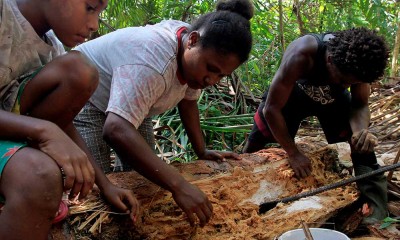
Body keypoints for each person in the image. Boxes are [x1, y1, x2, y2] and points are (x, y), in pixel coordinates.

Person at [73, 0, 253, 227]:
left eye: (221, 76)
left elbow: (188, 102)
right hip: (85, 97)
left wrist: (201, 150)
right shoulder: (153, 61)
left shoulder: (193, 54)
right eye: (210, 69)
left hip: (134, 106)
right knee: (99, 190)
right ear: (193, 41)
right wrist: (179, 185)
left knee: (145, 181)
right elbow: (116, 129)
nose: (211, 81)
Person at [0, 1, 139, 239]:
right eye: (90, 7)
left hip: (11, 137)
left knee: (79, 70)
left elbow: (62, 125)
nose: (94, 24)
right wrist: (43, 131)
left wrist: (104, 185)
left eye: (99, 13)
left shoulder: (53, 47)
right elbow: (51, 129)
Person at [243, 27, 389, 223]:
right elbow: (272, 109)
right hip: (291, 97)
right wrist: (293, 152)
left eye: (351, 83)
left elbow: (360, 104)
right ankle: (241, 191)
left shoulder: (358, 66)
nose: (346, 85)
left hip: (333, 102)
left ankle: (375, 211)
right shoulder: (303, 54)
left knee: (362, 145)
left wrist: (360, 131)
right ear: (329, 59)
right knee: (260, 139)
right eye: (342, 80)